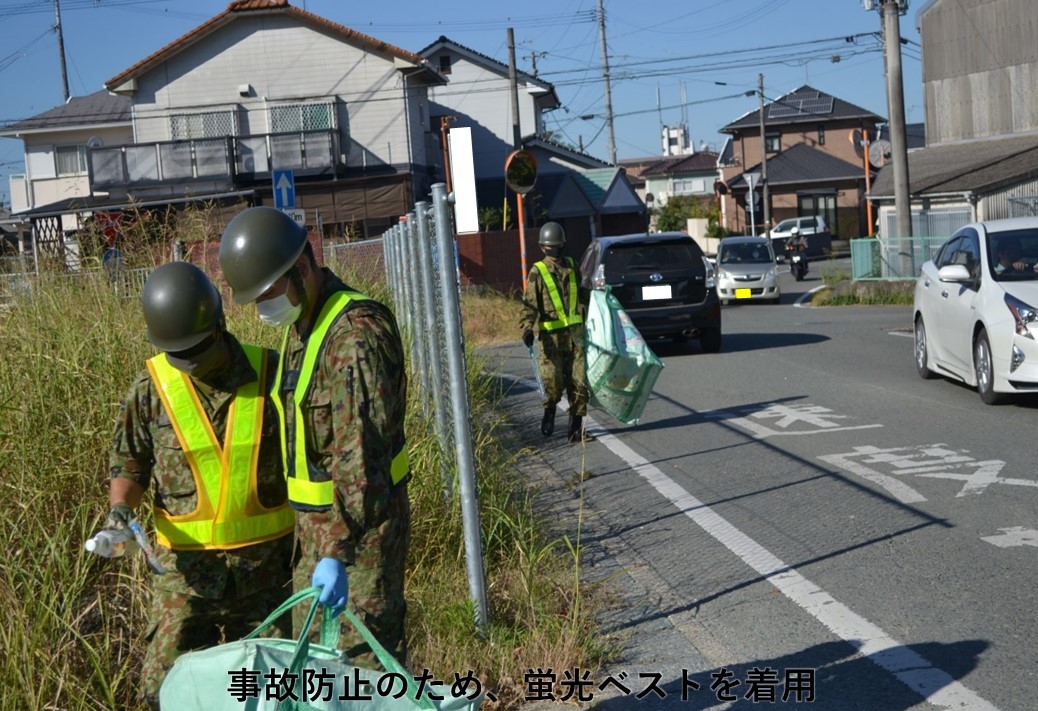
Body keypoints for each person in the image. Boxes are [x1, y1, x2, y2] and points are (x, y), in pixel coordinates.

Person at [218, 206, 410, 667]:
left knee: (363, 677)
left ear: (301, 269)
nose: (265, 308)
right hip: (320, 539)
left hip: (356, 541)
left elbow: (361, 461)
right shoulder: (306, 325)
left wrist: (338, 555)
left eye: (269, 293)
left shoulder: (353, 337)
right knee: (322, 676)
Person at [104, 261, 295, 709]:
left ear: (219, 324)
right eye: (179, 354)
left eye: (198, 350)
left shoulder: (271, 373)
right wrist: (121, 512)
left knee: (276, 695)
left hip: (267, 575)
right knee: (164, 694)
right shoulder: (149, 390)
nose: (190, 363)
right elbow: (129, 465)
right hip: (185, 581)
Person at [520, 221, 593, 443]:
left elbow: (583, 296)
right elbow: (529, 304)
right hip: (551, 340)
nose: (555, 250)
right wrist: (526, 328)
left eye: (558, 246)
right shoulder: (538, 272)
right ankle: (550, 411)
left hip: (576, 338)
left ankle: (575, 429)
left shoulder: (572, 266)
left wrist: (599, 310)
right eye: (551, 247)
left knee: (579, 383)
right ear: (543, 247)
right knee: (553, 384)